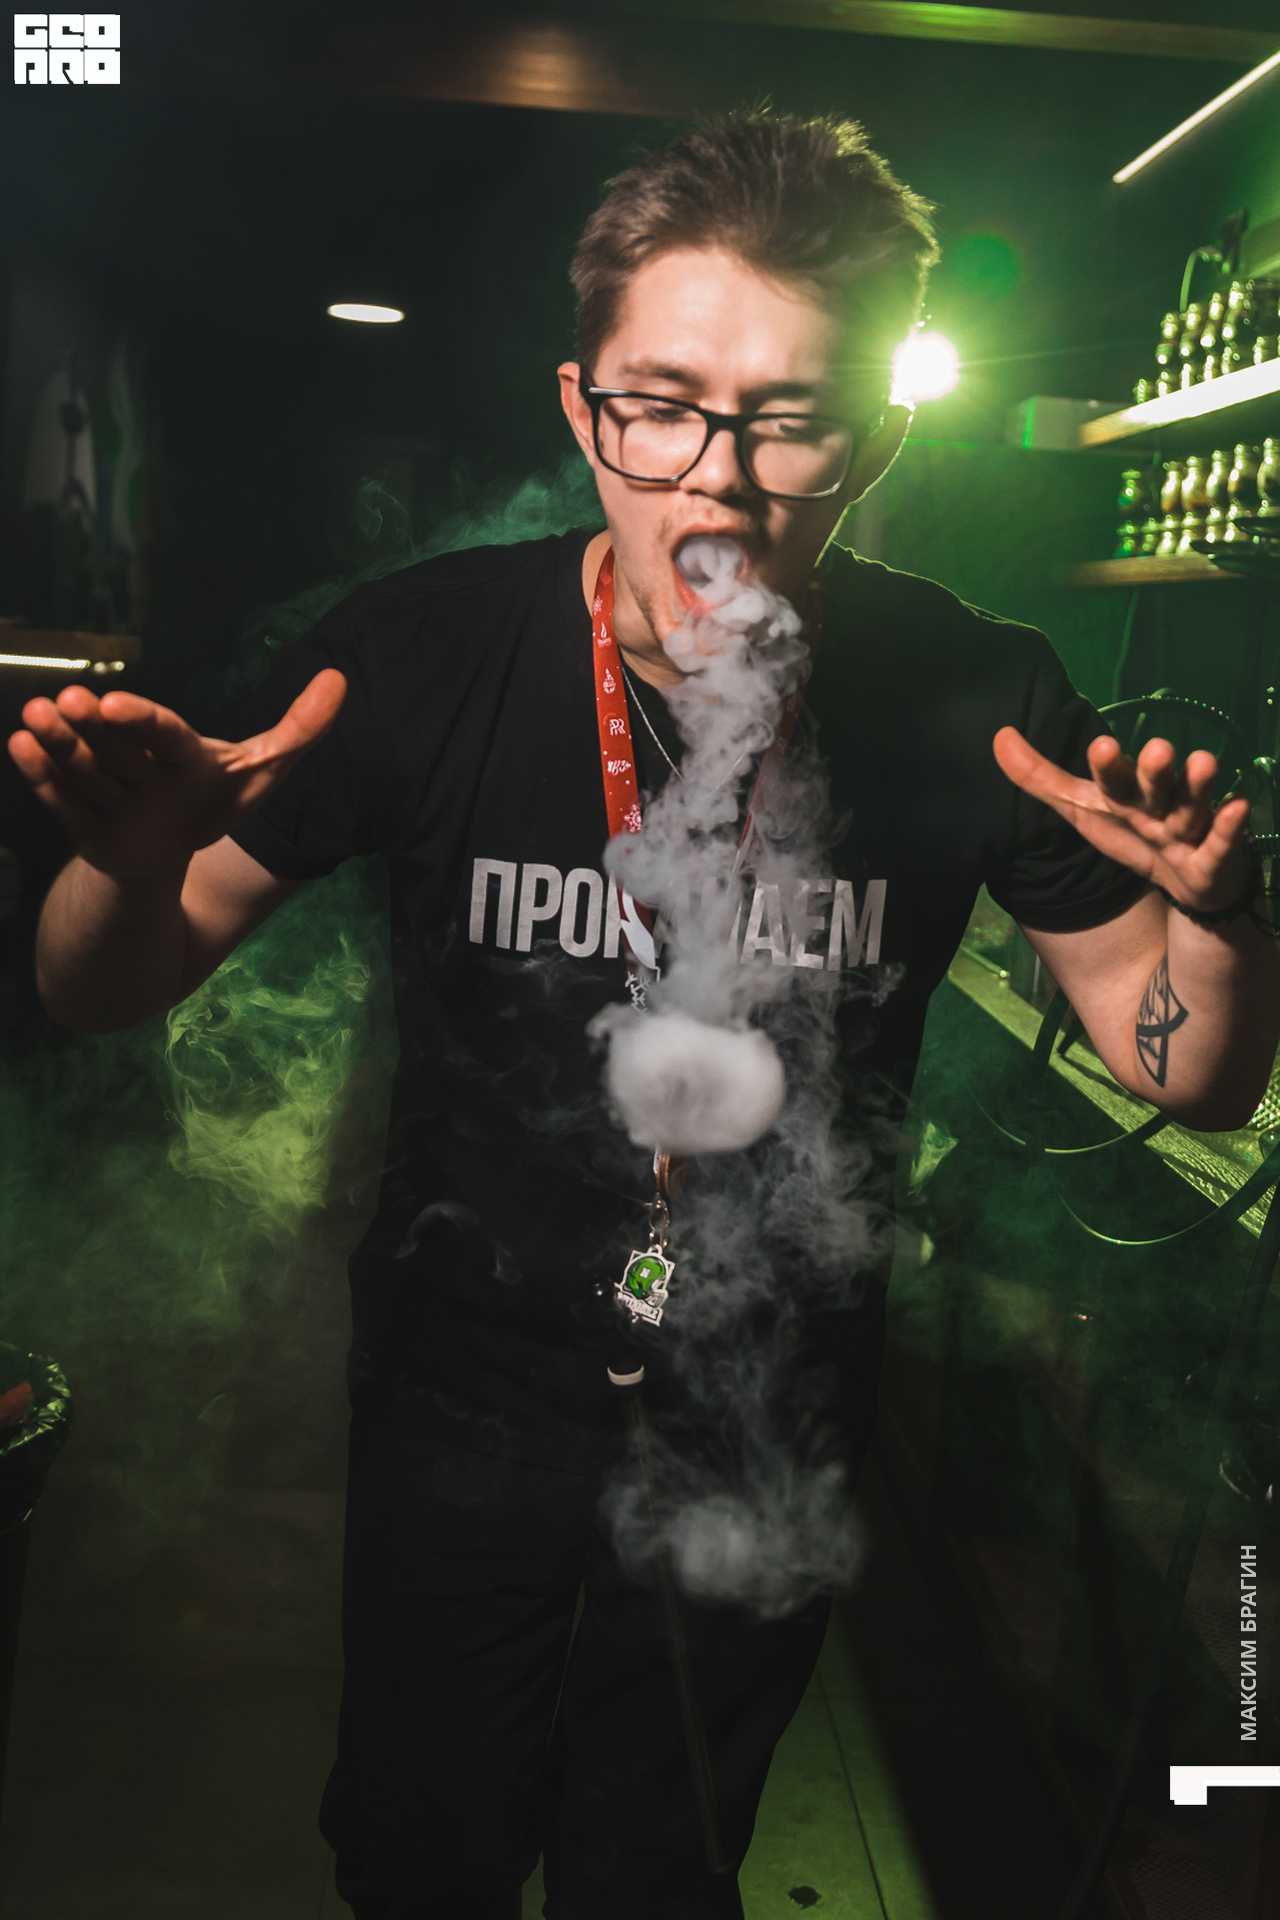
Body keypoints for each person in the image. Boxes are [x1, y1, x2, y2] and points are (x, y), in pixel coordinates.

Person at [9, 112, 1278, 1920]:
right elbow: (93, 985)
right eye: (663, 406)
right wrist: (129, 871)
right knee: (420, 1859)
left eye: (791, 419)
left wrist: (1218, 923)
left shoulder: (977, 692)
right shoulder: (419, 652)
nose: (721, 484)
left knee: (661, 1871)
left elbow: (1198, 1073)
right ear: (583, 406)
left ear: (878, 436)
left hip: (772, 1415)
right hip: (459, 1400)